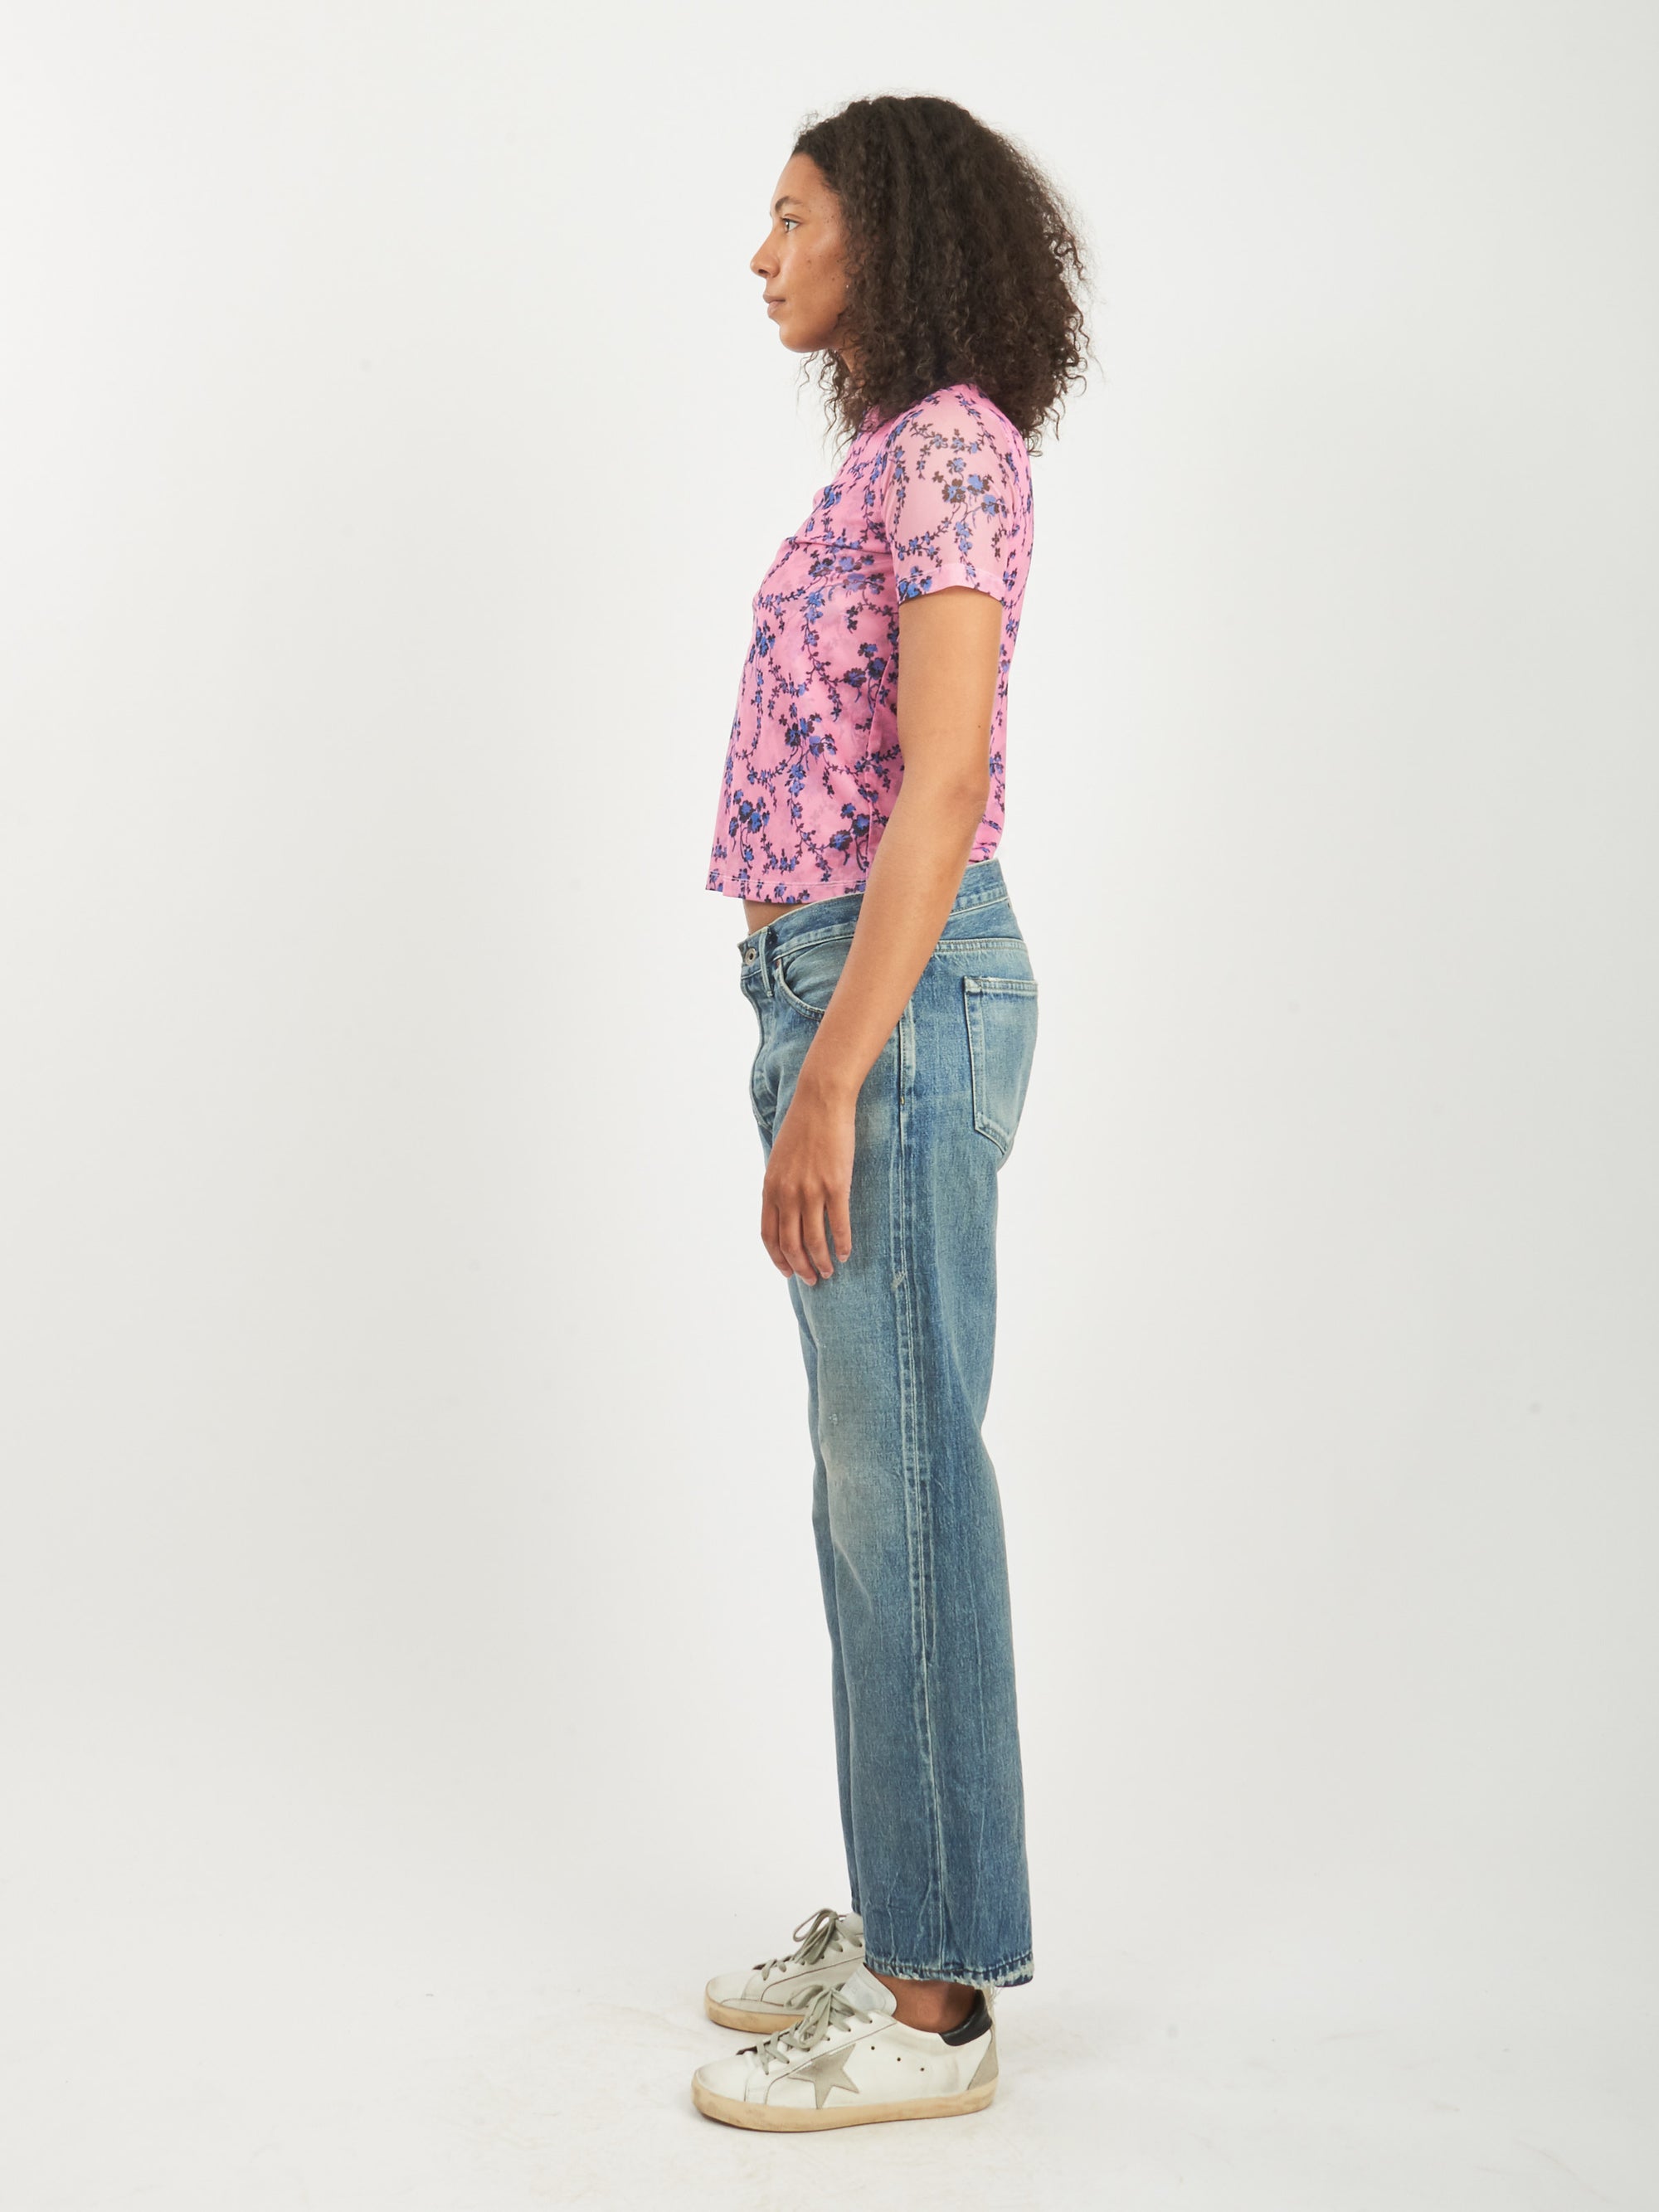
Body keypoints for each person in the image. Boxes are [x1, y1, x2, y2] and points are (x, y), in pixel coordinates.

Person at [691, 93, 1090, 2132]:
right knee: (871, 1488)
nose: (762, 256)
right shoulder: (890, 455)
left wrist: (837, 1066)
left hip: (897, 999)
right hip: (840, 985)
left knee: (906, 1479)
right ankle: (906, 1907)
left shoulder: (946, 447)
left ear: (890, 237)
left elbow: (939, 781)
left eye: (793, 218)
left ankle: (934, 2007)